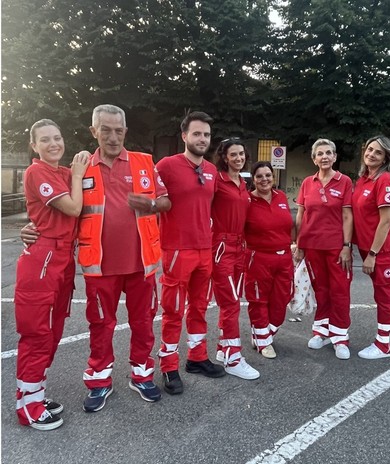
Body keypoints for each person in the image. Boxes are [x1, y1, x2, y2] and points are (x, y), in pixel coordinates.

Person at [23, 106, 171, 412]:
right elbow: (56, 207)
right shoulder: (77, 169)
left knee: (143, 323)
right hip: (99, 266)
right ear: (94, 132)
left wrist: (153, 203)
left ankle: (142, 376)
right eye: (106, 129)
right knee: (100, 325)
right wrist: (32, 226)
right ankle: (99, 381)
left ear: (126, 132)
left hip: (142, 263)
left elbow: (167, 201)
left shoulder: (145, 162)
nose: (113, 136)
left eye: (118, 130)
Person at [14, 120, 89, 430]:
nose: (53, 143)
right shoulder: (38, 171)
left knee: (54, 329)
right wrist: (78, 173)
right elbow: (72, 208)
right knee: (38, 332)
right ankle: (27, 405)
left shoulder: (61, 173)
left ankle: (34, 393)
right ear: (34, 145)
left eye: (57, 137)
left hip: (61, 257)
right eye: (45, 140)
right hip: (44, 257)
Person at [156, 111, 224, 394]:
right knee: (172, 310)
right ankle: (169, 366)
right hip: (176, 249)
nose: (202, 139)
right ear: (184, 136)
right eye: (196, 134)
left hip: (203, 249)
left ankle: (196, 358)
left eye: (206, 134)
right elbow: (152, 200)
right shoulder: (166, 166)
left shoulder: (211, 170)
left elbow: (218, 205)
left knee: (198, 308)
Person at [294, 139, 354, 360]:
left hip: (337, 247)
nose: (324, 157)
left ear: (335, 157)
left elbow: (348, 215)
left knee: (340, 291)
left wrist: (347, 246)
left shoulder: (344, 181)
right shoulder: (307, 183)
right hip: (312, 246)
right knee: (321, 290)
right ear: (314, 159)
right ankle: (321, 331)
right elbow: (301, 216)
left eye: (328, 153)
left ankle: (340, 337)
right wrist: (299, 244)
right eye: (320, 154)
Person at [353, 135, 390, 360]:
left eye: (378, 152)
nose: (371, 154)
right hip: (368, 248)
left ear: (386, 156)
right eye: (369, 149)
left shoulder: (384, 180)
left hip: (381, 250)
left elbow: (386, 221)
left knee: (384, 295)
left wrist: (373, 254)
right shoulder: (365, 178)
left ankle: (383, 344)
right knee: (386, 292)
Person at [210, 138, 260, 379]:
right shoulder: (216, 181)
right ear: (224, 157)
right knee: (230, 302)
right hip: (220, 246)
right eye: (233, 154)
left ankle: (223, 348)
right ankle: (233, 357)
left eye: (241, 154)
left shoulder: (243, 183)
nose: (238, 158)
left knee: (233, 300)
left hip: (241, 246)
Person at [244, 161, 295, 359]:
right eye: (259, 176)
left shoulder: (281, 196)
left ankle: (263, 332)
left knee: (282, 298)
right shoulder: (247, 201)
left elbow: (288, 224)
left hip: (284, 257)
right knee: (258, 299)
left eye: (268, 175)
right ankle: (263, 341)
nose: (264, 179)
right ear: (254, 180)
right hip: (258, 257)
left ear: (273, 177)